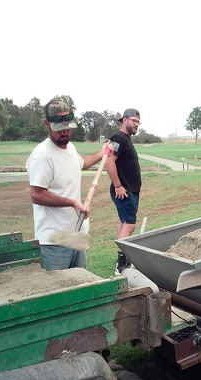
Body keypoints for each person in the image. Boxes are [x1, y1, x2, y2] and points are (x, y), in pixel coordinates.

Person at [27, 97, 112, 271]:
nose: (64, 133)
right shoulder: (42, 156)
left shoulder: (70, 148)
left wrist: (101, 153)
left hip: (77, 234)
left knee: (79, 288)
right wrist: (71, 202)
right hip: (55, 240)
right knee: (59, 293)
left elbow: (82, 163)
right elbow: (36, 194)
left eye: (67, 128)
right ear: (47, 124)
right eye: (59, 129)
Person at [106, 108, 141, 273]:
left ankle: (122, 262)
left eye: (138, 122)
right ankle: (122, 265)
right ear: (124, 120)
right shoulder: (118, 137)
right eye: (134, 121)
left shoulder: (125, 139)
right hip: (124, 190)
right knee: (129, 225)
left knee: (124, 224)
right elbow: (109, 161)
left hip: (129, 190)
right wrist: (118, 185)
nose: (136, 125)